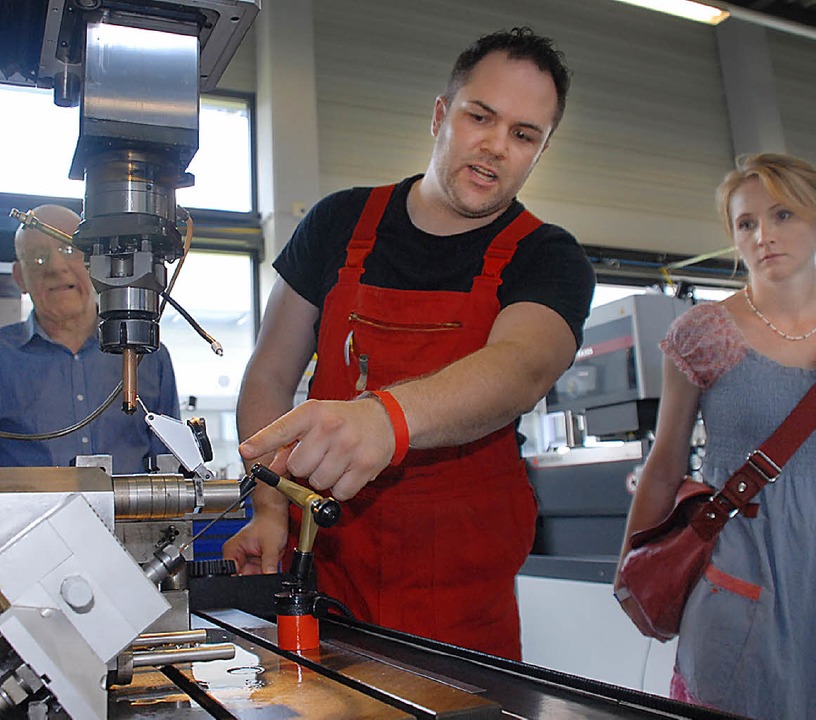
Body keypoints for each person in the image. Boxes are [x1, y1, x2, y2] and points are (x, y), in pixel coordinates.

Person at [224, 27, 595, 660]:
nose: (496, 147)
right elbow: (268, 376)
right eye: (482, 116)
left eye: (524, 135)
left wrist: (385, 419)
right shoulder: (338, 223)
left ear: (540, 150)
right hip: (322, 573)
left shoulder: (548, 257)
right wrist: (268, 509)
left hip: (463, 604)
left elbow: (522, 367)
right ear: (441, 114)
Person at [614, 153, 816, 719]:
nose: (763, 236)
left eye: (783, 216)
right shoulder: (704, 333)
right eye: (746, 223)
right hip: (740, 569)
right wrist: (631, 570)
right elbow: (665, 461)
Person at [0, 204, 181, 474]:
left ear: (95, 263)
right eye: (37, 258)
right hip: (28, 517)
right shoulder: (4, 357)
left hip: (133, 516)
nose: (56, 267)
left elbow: (169, 463)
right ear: (19, 278)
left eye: (67, 249)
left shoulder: (148, 354)